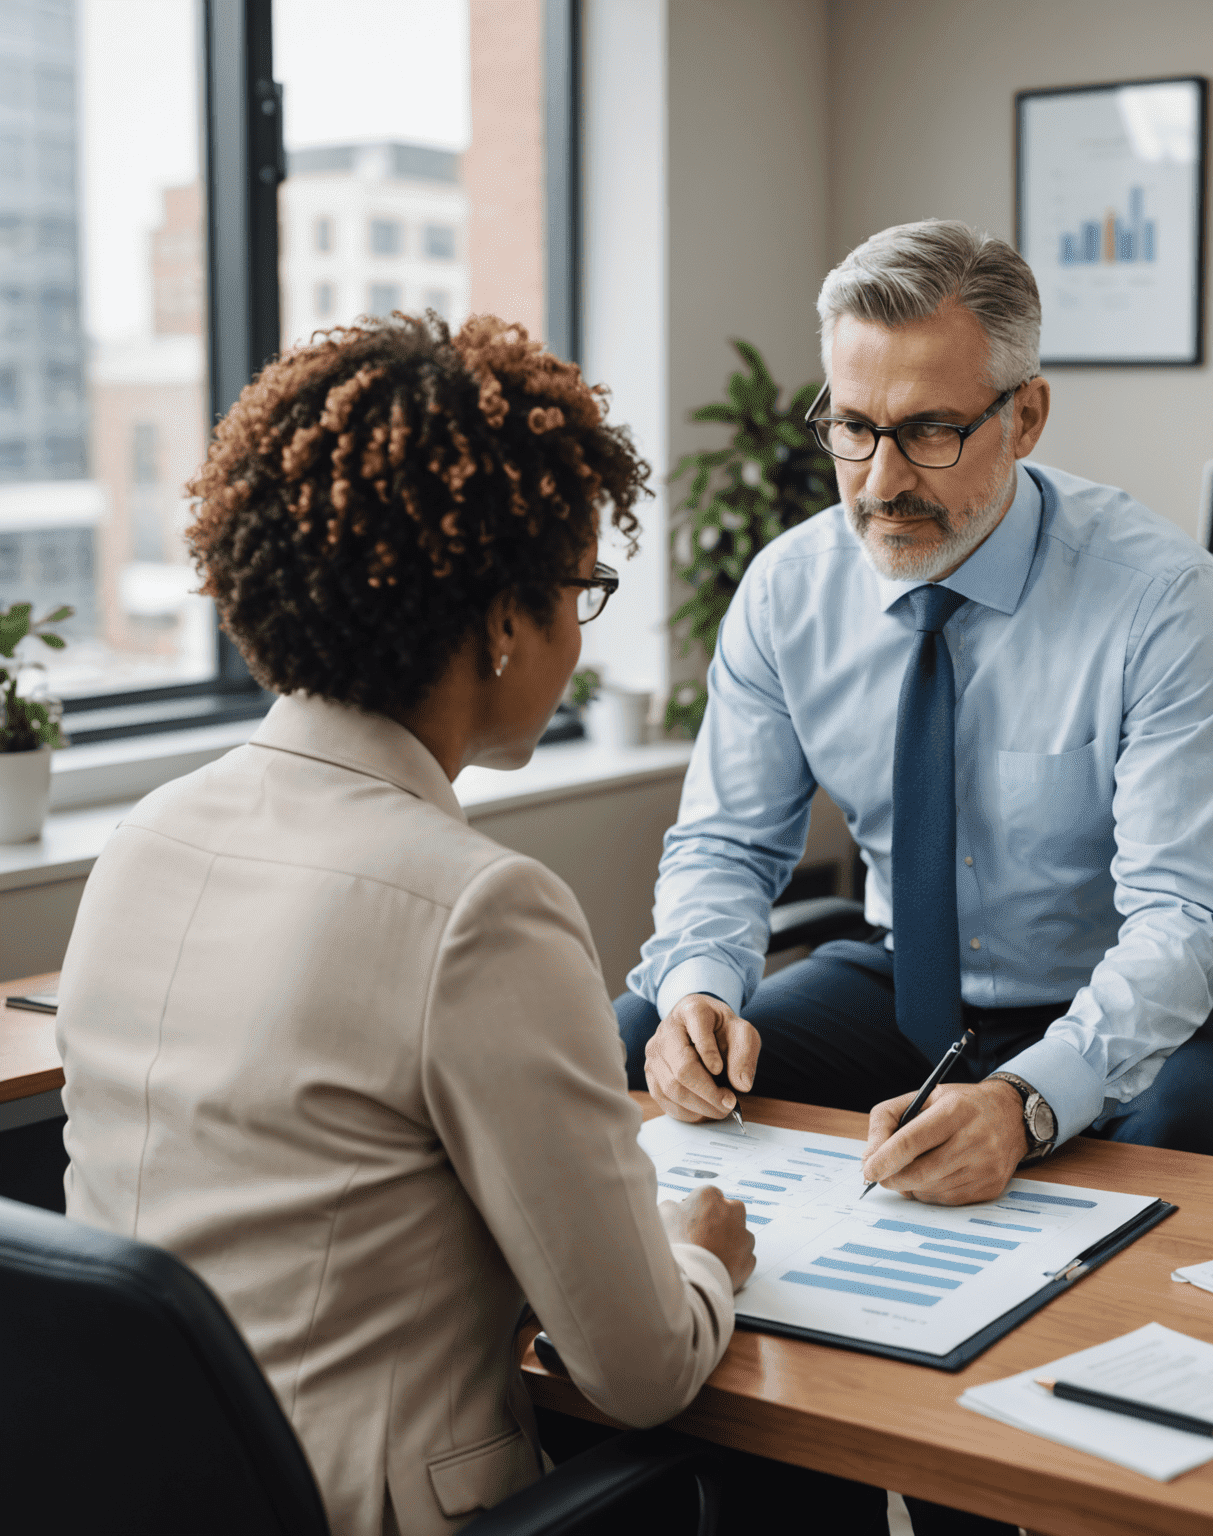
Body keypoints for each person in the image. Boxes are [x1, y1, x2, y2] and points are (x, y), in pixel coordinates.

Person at [54, 314, 755, 1536]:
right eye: (580, 590)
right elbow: (636, 1373)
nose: (582, 633)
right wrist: (696, 1252)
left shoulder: (145, 839)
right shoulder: (479, 909)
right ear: (499, 620)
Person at [617, 219, 1213, 1215]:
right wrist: (699, 995)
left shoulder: (1155, 594)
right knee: (640, 1037)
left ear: (1025, 418)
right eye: (852, 427)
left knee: (1191, 1147)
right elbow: (726, 843)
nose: (882, 482)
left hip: (1148, 997)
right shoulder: (787, 591)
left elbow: (1183, 920)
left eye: (930, 431)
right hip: (910, 991)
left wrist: (1023, 1104)